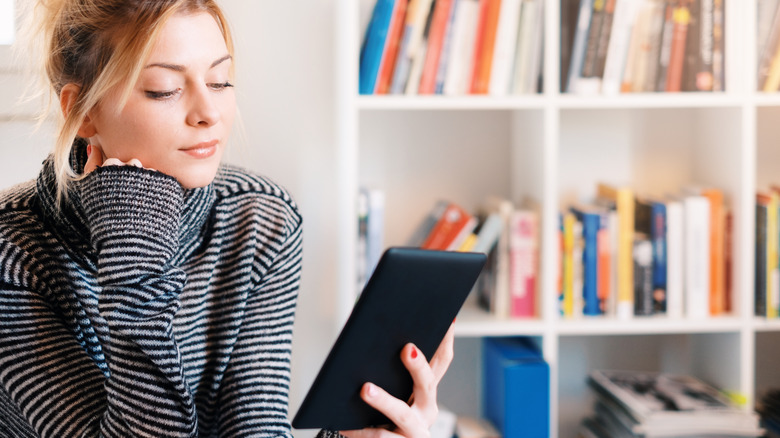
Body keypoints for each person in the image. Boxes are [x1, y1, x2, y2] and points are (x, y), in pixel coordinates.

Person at [0, 0, 454, 437]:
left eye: (220, 81)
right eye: (165, 89)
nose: (209, 113)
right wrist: (133, 247)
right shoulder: (12, 254)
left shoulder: (260, 220)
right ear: (82, 111)